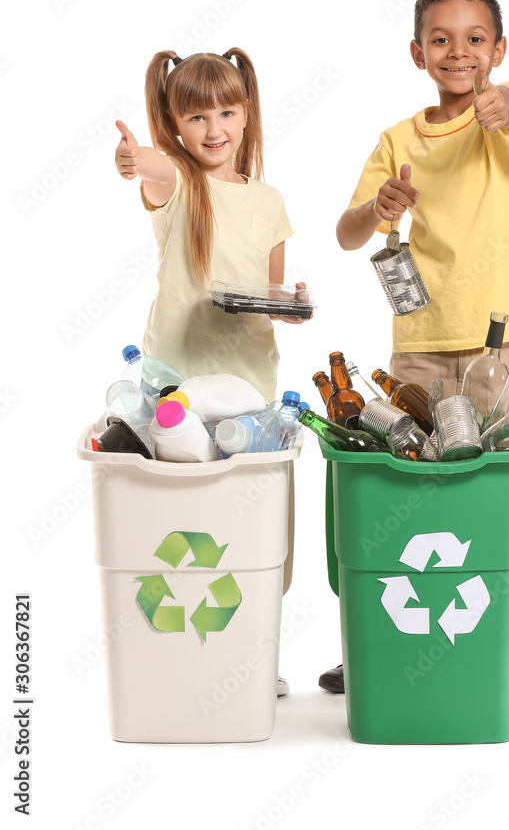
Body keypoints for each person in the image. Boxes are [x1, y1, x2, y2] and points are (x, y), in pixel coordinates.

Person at [321, 0, 509, 704]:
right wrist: (377, 204)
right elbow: (349, 232)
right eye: (442, 39)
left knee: (494, 489)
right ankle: (386, 633)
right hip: (420, 341)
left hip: (504, 339)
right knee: (409, 490)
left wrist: (503, 104)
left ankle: (501, 638)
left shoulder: (507, 107)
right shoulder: (398, 139)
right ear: (417, 52)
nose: (459, 52)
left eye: (475, 39)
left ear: (498, 50)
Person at [115, 48, 305, 697]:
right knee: (176, 529)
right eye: (196, 116)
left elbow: (270, 295)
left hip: (249, 388)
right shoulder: (176, 183)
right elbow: (149, 166)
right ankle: (174, 663)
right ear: (173, 124)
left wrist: (292, 304)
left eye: (227, 111)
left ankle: (250, 661)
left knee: (252, 534)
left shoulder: (270, 201)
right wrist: (134, 158)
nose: (214, 128)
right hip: (175, 387)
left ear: (247, 113)